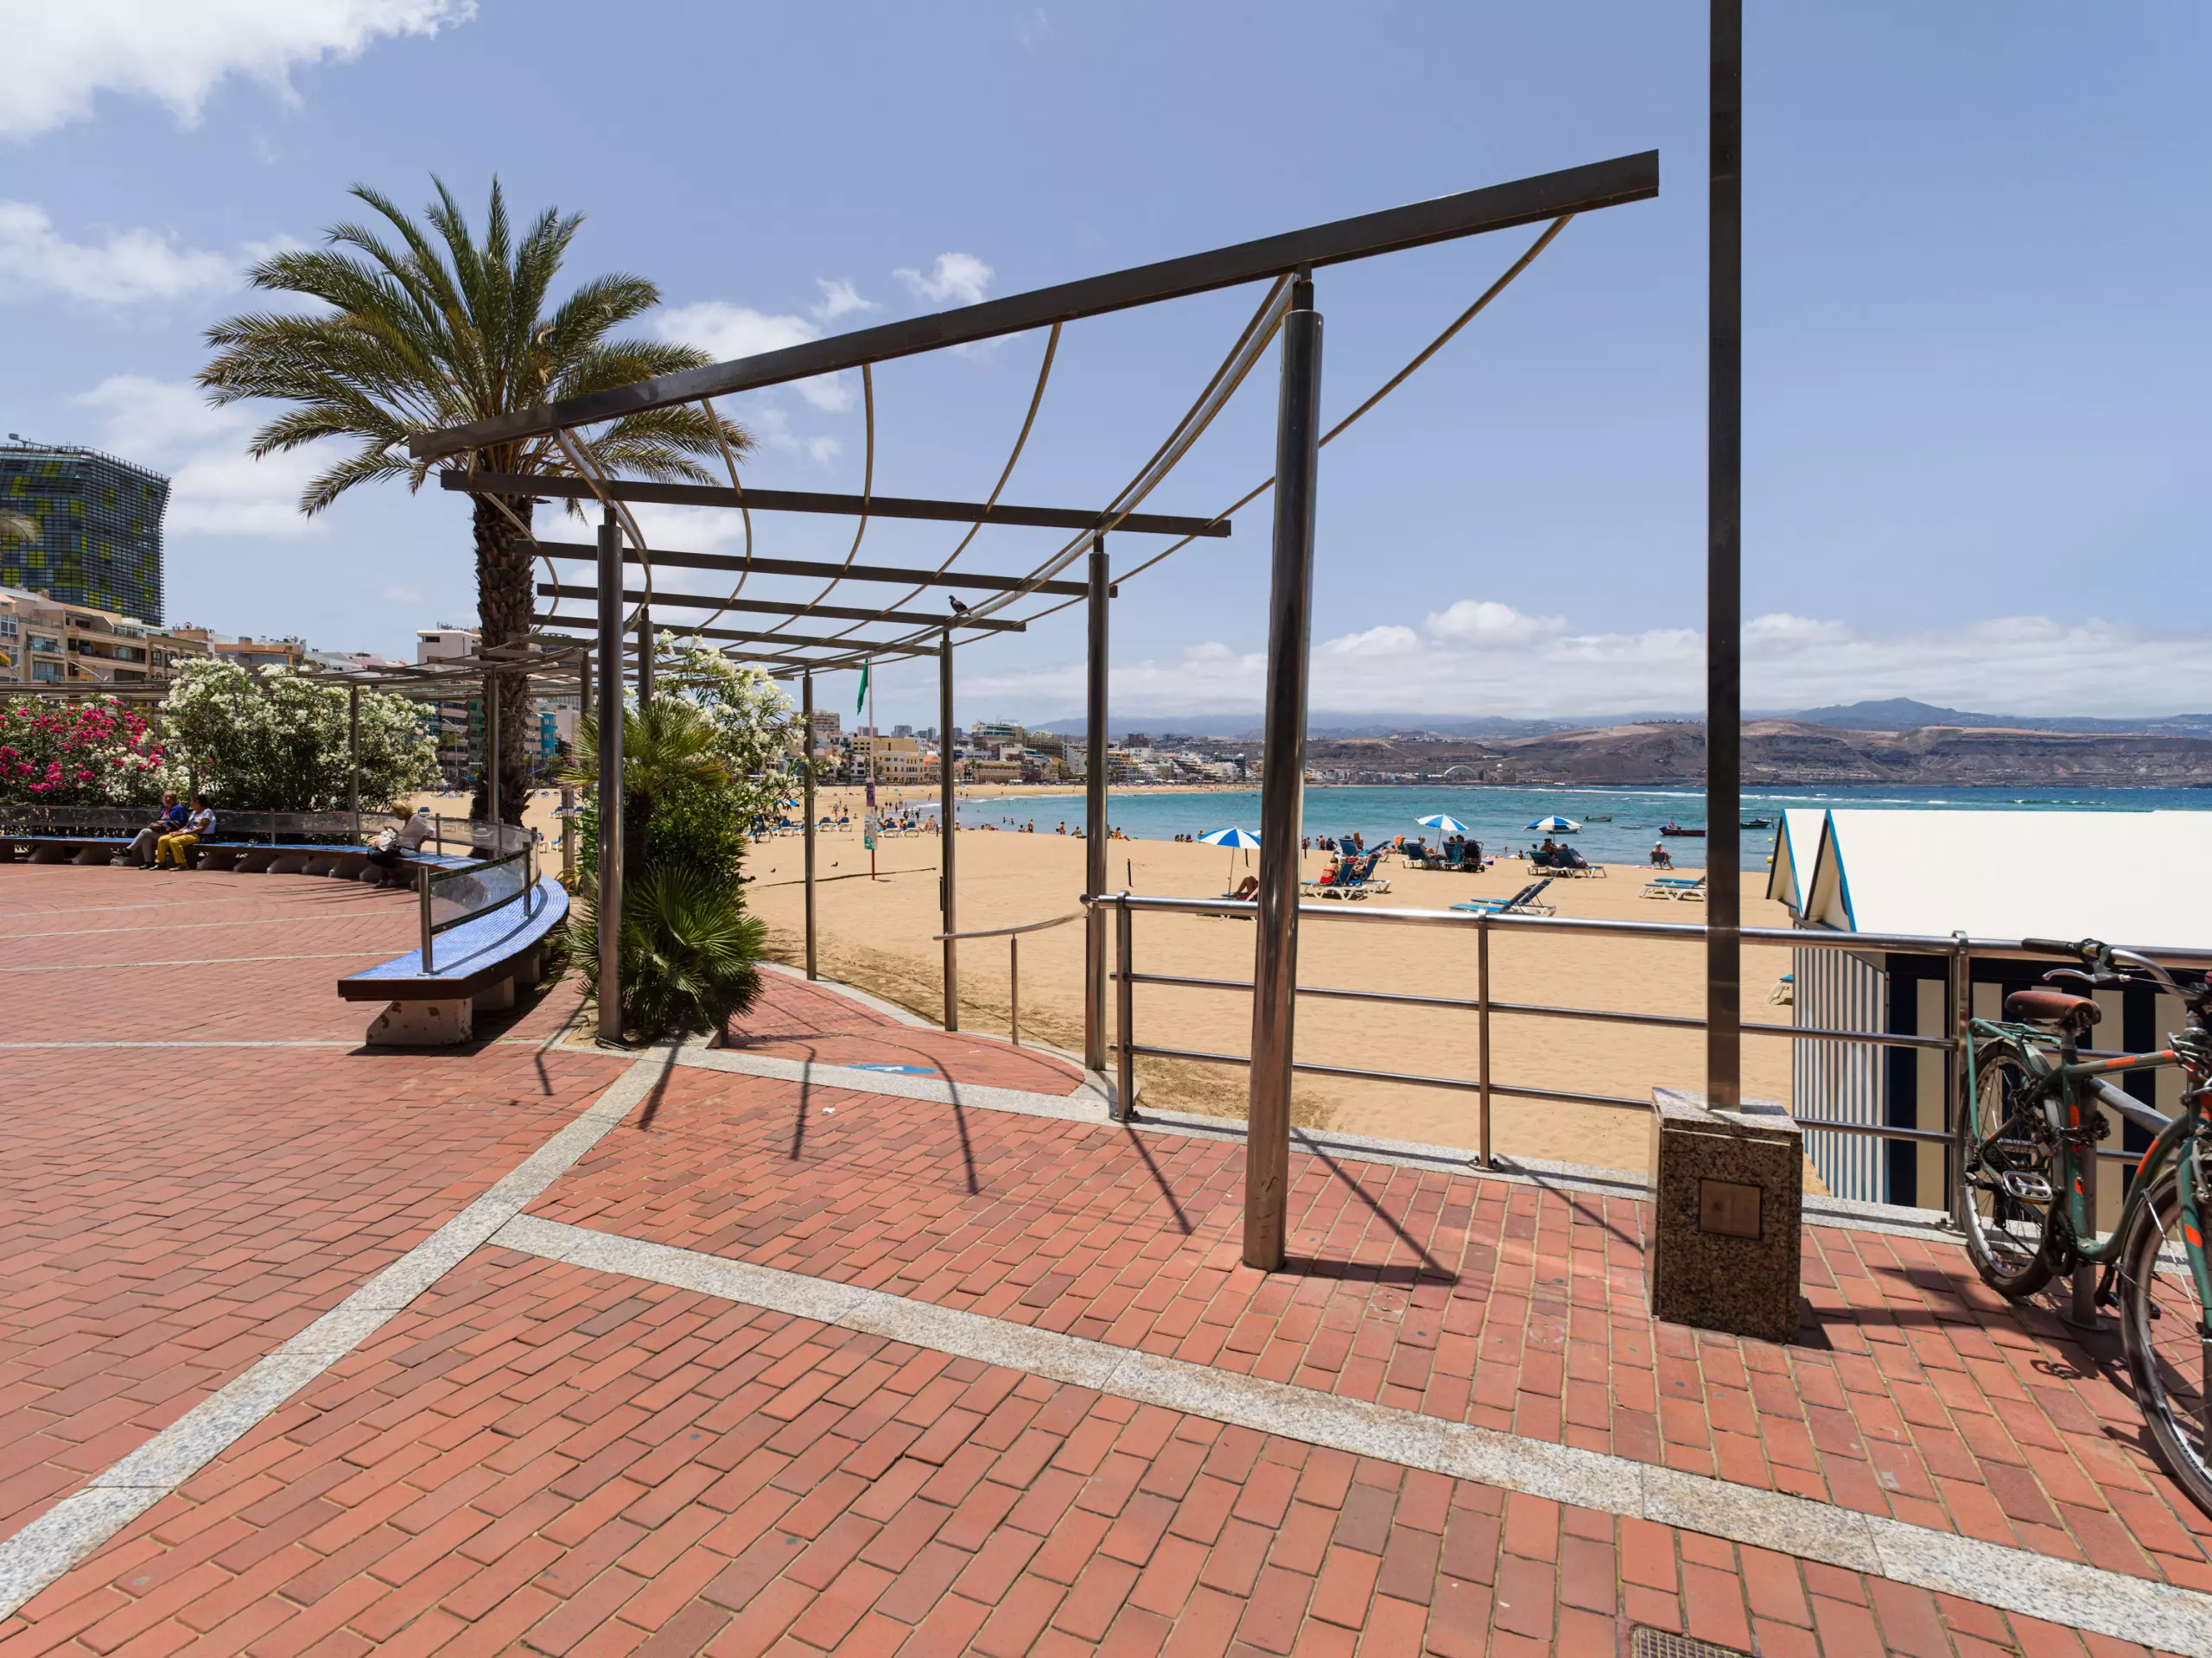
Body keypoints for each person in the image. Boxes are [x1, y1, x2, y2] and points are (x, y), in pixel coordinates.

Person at [365, 807, 436, 886]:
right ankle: (388, 877)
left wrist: (419, 844)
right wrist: (393, 830)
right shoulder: (407, 820)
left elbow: (430, 830)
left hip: (409, 849)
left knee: (384, 854)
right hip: (400, 847)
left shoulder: (415, 819)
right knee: (374, 852)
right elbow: (405, 834)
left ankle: (394, 877)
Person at [127, 792, 188, 868]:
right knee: (146, 839)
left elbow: (181, 822)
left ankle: (129, 850)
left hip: (173, 834)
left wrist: (165, 822)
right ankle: (148, 862)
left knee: (144, 831)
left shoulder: (179, 808)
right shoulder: (164, 809)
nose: (168, 799)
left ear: (175, 799)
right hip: (162, 833)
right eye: (166, 797)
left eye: (170, 797)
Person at [156, 797, 214, 869]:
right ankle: (160, 863)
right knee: (162, 839)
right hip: (188, 833)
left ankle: (182, 864)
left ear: (197, 803)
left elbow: (201, 829)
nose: (191, 804)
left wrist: (183, 834)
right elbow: (187, 826)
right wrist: (177, 832)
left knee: (174, 841)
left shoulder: (207, 812)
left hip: (199, 836)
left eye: (192, 802)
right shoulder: (194, 812)